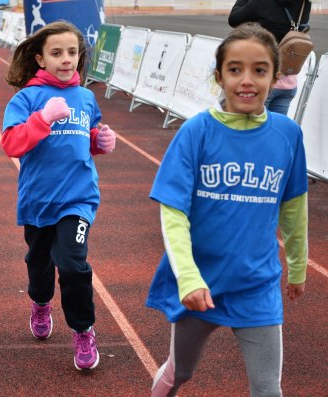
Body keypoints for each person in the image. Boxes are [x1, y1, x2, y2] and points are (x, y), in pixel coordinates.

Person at [147, 22, 308, 396]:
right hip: (201, 283)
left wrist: (298, 265)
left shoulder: (288, 135)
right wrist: (187, 276)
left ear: (276, 76)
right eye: (235, 70)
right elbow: (173, 212)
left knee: (268, 388)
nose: (247, 80)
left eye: (259, 70)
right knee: (180, 372)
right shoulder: (196, 132)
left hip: (257, 285)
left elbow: (294, 207)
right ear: (219, 77)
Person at [1, 21, 116, 371]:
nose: (66, 59)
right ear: (40, 58)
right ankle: (39, 302)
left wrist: (100, 142)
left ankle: (83, 329)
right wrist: (42, 119)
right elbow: (11, 143)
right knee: (40, 267)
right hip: (38, 201)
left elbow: (86, 137)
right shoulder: (27, 99)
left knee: (72, 262)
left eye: (72, 52)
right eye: (56, 53)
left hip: (78, 199)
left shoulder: (86, 97)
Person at [228, 0, 312, 115]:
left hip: (261, 83)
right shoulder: (304, 3)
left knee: (250, 130)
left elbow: (233, 19)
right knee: (275, 131)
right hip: (288, 82)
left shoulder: (262, 2)